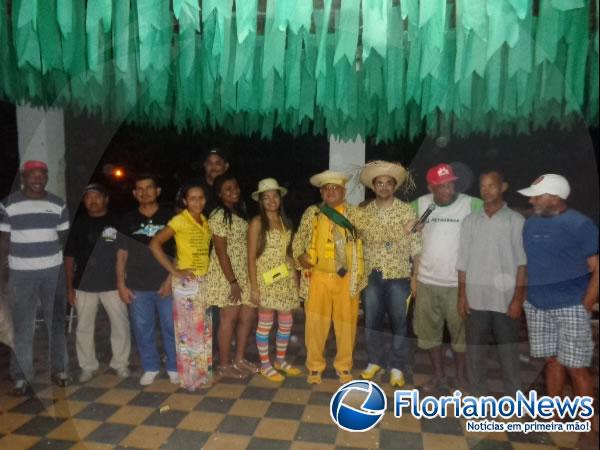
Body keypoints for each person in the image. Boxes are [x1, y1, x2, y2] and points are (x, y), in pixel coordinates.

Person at [518, 174, 597, 406]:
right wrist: (524, 298)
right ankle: (553, 413)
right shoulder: (531, 223)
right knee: (551, 361)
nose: (531, 202)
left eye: (536, 197)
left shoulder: (580, 224)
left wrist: (585, 305)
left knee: (576, 367)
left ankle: (589, 429)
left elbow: (597, 268)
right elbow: (528, 263)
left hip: (571, 306)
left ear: (554, 198)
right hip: (537, 305)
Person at [0, 160, 70, 395]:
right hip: (21, 274)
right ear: (24, 177)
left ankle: (59, 370)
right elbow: (3, 241)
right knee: (22, 326)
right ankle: (21, 377)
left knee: (56, 323)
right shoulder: (8, 205)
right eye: (33, 175)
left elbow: (63, 237)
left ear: (47, 177)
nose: (37, 179)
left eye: (42, 175)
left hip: (53, 272)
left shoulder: (58, 204)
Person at [412, 163, 482, 392]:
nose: (447, 190)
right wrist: (411, 228)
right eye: (440, 186)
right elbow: (399, 226)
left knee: (460, 333)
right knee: (429, 333)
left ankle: (460, 377)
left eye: (450, 184)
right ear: (430, 186)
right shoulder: (421, 204)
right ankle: (438, 375)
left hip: (457, 284)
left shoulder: (469, 204)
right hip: (426, 281)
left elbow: (496, 210)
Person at [292, 170, 368, 384]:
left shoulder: (355, 214)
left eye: (335, 188)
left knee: (346, 325)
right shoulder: (312, 213)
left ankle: (344, 366)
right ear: (321, 192)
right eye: (326, 189)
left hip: (347, 278)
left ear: (344, 192)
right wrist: (300, 256)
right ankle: (315, 366)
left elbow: (371, 238)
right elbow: (298, 240)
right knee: (315, 324)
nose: (331, 192)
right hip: (318, 276)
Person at [456, 171, 526, 395]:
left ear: (503, 186)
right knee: (475, 352)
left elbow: (522, 264)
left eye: (491, 186)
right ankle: (477, 394)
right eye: (483, 186)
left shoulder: (516, 220)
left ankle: (513, 394)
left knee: (508, 351)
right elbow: (463, 262)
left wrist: (517, 299)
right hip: (475, 299)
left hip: (505, 300)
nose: (486, 191)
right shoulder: (470, 221)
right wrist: (462, 296)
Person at [358, 161, 420, 388]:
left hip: (399, 275)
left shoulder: (406, 210)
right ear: (374, 187)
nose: (384, 187)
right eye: (379, 183)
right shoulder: (364, 213)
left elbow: (416, 247)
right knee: (372, 321)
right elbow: (371, 237)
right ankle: (374, 361)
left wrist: (415, 277)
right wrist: (401, 230)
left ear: (395, 186)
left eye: (388, 183)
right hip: (372, 274)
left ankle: (397, 366)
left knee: (400, 323)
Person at [149, 182, 213, 391]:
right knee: (188, 333)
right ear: (185, 201)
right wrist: (175, 272)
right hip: (187, 284)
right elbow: (155, 244)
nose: (197, 202)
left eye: (201, 197)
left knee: (202, 330)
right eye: (192, 198)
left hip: (203, 280)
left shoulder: (204, 221)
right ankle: (190, 379)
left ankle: (201, 374)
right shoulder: (180, 220)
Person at [65, 183, 131, 383]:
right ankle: (87, 365)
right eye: (88, 197)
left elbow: (125, 253)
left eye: (97, 196)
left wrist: (123, 283)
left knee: (120, 324)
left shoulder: (117, 221)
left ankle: (120, 363)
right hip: (83, 285)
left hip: (113, 284)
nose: (92, 201)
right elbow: (69, 257)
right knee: (83, 326)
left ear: (106, 199)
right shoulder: (78, 224)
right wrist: (69, 287)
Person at [116, 174, 177, 386]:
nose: (144, 192)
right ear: (134, 194)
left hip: (166, 284)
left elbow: (181, 252)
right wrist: (121, 284)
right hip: (138, 285)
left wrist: (170, 279)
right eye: (139, 189)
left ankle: (173, 367)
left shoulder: (172, 217)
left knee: (171, 327)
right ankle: (150, 366)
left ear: (157, 191)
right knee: (143, 328)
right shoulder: (126, 219)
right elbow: (121, 253)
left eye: (149, 188)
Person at [248, 178, 301, 382]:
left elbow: (289, 255)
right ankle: (265, 364)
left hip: (284, 277)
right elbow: (251, 257)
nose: (271, 200)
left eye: (274, 196)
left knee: (286, 322)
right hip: (265, 278)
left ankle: (280, 360)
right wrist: (254, 287)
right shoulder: (257, 223)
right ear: (260, 201)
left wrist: (295, 281)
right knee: (265, 322)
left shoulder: (285, 221)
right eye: (266, 197)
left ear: (280, 199)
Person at [205, 172, 258, 378]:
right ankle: (225, 364)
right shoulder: (219, 215)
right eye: (228, 189)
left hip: (243, 273)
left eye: (235, 187)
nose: (234, 191)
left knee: (246, 317)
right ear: (219, 194)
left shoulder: (239, 213)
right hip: (227, 275)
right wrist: (233, 282)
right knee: (229, 318)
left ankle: (239, 358)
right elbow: (220, 251)